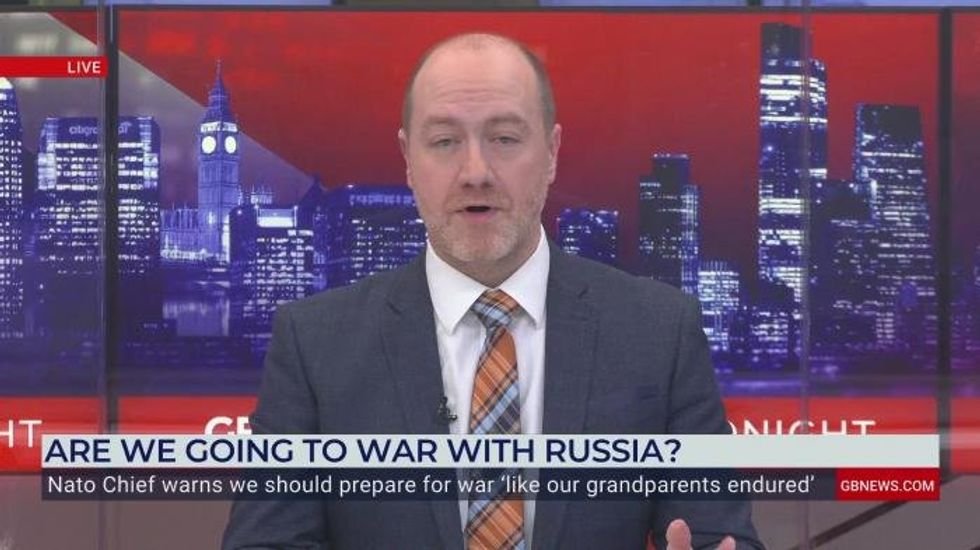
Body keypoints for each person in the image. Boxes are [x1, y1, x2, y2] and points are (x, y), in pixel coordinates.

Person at [223, 32, 763, 550]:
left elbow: (720, 536)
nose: (475, 172)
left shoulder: (659, 332)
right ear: (408, 159)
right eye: (444, 142)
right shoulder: (316, 343)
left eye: (504, 139)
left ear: (551, 152)